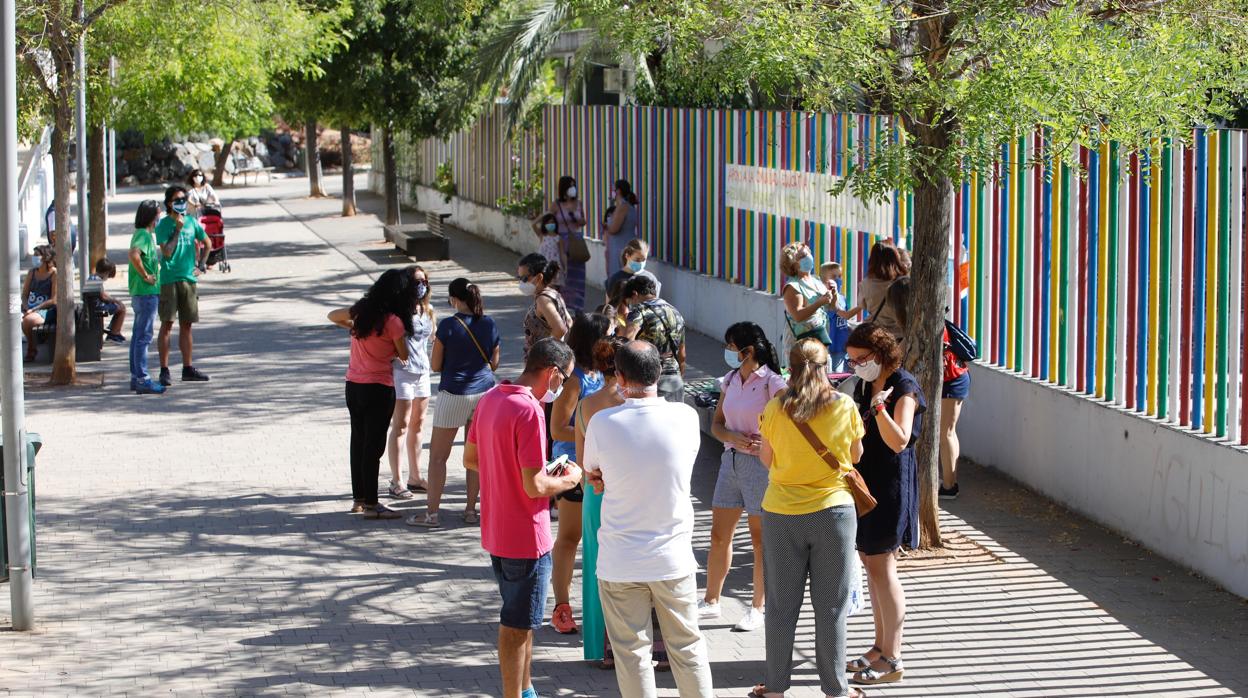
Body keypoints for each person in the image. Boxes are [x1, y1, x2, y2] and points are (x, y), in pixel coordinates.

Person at [583, 341, 713, 698]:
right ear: (659, 372)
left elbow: (592, 471)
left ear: (620, 377)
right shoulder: (686, 417)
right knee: (688, 648)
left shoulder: (602, 422)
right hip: (672, 559)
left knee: (632, 655)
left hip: (620, 561)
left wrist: (605, 475)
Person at [465, 337, 583, 698]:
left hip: (497, 531)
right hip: (526, 538)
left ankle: (526, 687)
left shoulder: (491, 398)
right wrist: (571, 477)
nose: (562, 388)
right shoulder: (529, 410)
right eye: (563, 378)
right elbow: (534, 486)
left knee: (525, 620)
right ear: (551, 373)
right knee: (516, 625)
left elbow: (471, 459)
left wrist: (514, 470)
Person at [751, 339, 866, 698]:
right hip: (833, 512)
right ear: (826, 364)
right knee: (831, 608)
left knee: (781, 607)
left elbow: (767, 460)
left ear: (790, 366)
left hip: (782, 512)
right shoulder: (844, 405)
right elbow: (856, 455)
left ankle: (774, 689)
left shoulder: (774, 407)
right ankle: (836, 690)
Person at [844, 323, 926, 686]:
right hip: (866, 483)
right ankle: (879, 646)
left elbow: (900, 440)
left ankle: (893, 657)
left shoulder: (904, 387)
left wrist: (880, 409)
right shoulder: (865, 383)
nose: (856, 366)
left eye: (861, 359)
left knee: (883, 568)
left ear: (879, 354)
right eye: (852, 360)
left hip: (891, 486)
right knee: (870, 564)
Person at [699, 322, 787, 633]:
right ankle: (711, 600)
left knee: (760, 540)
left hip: (760, 467)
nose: (728, 352)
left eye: (731, 346)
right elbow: (717, 425)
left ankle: (758, 607)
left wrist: (770, 442)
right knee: (718, 535)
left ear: (747, 351)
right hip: (730, 461)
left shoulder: (772, 383)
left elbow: (791, 421)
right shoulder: (731, 379)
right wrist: (734, 438)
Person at [328, 268, 416, 521]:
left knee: (358, 441)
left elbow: (332, 315)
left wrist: (353, 324)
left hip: (353, 385)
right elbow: (403, 355)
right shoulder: (393, 321)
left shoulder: (362, 311)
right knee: (373, 446)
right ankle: (372, 503)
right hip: (379, 386)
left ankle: (358, 499)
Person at [414, 278, 500, 528]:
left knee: (438, 457)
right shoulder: (490, 323)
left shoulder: (448, 326)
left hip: (453, 393)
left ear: (454, 298)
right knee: (475, 456)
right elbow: (494, 364)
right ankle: (471, 510)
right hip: (484, 394)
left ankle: (431, 514)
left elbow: (435, 365)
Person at [547, 313, 610, 634]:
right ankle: (561, 607)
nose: (613, 341)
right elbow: (558, 428)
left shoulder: (604, 376)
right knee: (570, 538)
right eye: (608, 336)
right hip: (570, 468)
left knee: (601, 541)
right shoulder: (576, 380)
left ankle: (599, 607)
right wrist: (593, 432)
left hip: (598, 468)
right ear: (593, 342)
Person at [887, 277, 969, 500]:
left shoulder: (924, 322)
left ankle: (950, 486)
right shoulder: (923, 319)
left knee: (946, 432)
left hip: (951, 380)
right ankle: (947, 482)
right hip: (954, 377)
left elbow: (901, 352)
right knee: (945, 432)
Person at [573, 336, 628, 667]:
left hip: (595, 494)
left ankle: (601, 646)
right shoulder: (634, 403)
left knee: (596, 568)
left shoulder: (585, 405)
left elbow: (583, 462)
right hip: (629, 491)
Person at [386, 266, 435, 501]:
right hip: (402, 372)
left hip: (423, 373)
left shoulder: (428, 310)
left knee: (418, 424)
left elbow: (430, 340)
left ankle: (416, 476)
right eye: (416, 281)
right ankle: (397, 481)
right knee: (401, 425)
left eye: (424, 281)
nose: (421, 285)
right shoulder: (396, 312)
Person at [155, 185, 211, 385]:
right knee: (167, 324)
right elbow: (167, 252)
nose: (181, 203)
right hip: (169, 279)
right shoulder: (163, 225)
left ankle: (188, 368)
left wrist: (201, 266)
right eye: (177, 199)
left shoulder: (191, 222)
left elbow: (208, 243)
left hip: (188, 279)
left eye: (183, 199)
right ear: (169, 202)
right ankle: (164, 369)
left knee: (186, 325)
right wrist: (177, 230)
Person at [621, 275, 685, 402]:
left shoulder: (640, 311)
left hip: (650, 381)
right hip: (675, 380)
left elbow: (626, 341)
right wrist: (680, 376)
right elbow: (682, 353)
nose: (630, 306)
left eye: (630, 302)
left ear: (635, 294)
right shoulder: (675, 312)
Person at [128, 200, 165, 395]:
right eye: (158, 213)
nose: (160, 216)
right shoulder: (143, 235)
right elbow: (134, 255)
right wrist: (145, 276)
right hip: (145, 291)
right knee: (144, 336)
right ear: (151, 216)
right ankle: (142, 377)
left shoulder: (144, 235)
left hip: (143, 292)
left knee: (138, 335)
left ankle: (136, 376)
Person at [840, 241, 908, 342]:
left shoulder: (866, 284)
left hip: (876, 336)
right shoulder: (904, 282)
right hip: (900, 336)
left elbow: (863, 305)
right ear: (895, 257)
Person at [780, 241, 834, 351]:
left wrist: (834, 294)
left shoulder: (816, 280)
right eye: (803, 256)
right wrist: (819, 302)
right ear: (793, 264)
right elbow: (797, 316)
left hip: (819, 340)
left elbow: (831, 307)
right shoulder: (793, 287)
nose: (808, 257)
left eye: (808, 253)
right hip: (800, 345)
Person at [519, 253, 572, 354]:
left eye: (524, 278)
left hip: (544, 363)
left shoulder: (543, 300)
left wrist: (543, 353)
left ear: (539, 277)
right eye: (519, 278)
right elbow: (569, 322)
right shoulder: (554, 293)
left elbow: (560, 329)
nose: (521, 282)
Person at [549, 176, 588, 313]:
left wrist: (577, 218)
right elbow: (549, 220)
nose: (573, 188)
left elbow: (583, 221)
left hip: (576, 242)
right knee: (563, 274)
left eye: (574, 185)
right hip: (561, 242)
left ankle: (577, 306)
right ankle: (562, 306)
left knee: (577, 275)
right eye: (570, 185)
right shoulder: (556, 205)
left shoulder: (579, 203)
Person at [20, 245, 57, 362]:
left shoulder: (54, 273)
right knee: (20, 319)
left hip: (47, 309)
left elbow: (53, 299)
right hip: (29, 308)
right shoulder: (32, 272)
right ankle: (33, 346)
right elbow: (24, 294)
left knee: (29, 320)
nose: (34, 258)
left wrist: (34, 309)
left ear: (45, 257)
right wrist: (26, 307)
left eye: (37, 255)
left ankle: (32, 349)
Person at [605, 238, 661, 305]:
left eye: (644, 260)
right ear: (627, 256)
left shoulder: (651, 278)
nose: (641, 263)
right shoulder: (615, 279)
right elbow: (609, 307)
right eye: (637, 259)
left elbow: (655, 304)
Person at [820, 262, 852, 372]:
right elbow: (832, 311)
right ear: (824, 280)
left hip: (844, 347)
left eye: (840, 276)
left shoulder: (842, 298)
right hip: (832, 348)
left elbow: (844, 319)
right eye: (834, 277)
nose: (838, 279)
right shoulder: (825, 300)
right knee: (835, 376)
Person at [603, 179, 639, 277]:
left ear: (618, 191)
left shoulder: (623, 207)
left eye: (614, 189)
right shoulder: (629, 207)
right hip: (628, 247)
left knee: (620, 281)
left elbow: (614, 229)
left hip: (620, 249)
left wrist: (606, 226)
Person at [88, 259, 128, 344]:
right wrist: (116, 301)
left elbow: (102, 294)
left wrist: (113, 300)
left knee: (118, 306)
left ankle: (114, 330)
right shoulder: (97, 280)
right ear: (106, 272)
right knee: (122, 309)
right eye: (108, 274)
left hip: (92, 306)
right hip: (98, 308)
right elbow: (103, 296)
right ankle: (114, 333)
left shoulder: (92, 277)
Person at [532, 212, 563, 286]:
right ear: (544, 224)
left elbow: (562, 253)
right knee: (543, 285)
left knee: (553, 287)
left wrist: (564, 266)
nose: (550, 224)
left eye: (552, 222)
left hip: (554, 266)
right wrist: (541, 216)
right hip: (543, 265)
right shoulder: (542, 235)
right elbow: (533, 224)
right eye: (548, 222)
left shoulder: (558, 238)